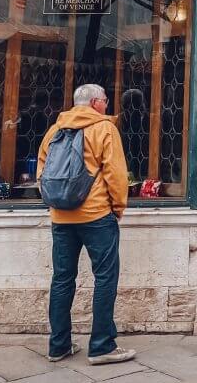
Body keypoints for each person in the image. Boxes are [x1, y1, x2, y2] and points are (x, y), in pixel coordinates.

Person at [37, 84, 135, 366]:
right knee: (105, 277)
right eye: (105, 101)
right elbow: (116, 174)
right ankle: (102, 345)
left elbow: (42, 172)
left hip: (61, 217)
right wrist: (118, 207)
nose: (107, 105)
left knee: (62, 279)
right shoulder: (104, 129)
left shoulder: (55, 130)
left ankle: (58, 345)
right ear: (95, 102)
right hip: (95, 215)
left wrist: (55, 203)